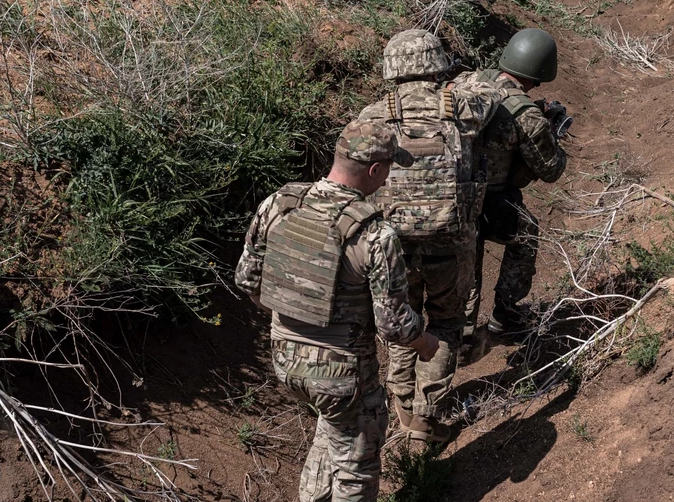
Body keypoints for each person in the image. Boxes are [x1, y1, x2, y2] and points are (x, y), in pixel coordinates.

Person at [235, 119, 441, 502]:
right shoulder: (375, 234)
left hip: (284, 359)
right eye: (389, 169)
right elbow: (393, 325)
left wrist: (295, 321)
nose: (387, 178)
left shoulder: (280, 204)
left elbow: (248, 281)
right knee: (356, 467)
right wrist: (424, 342)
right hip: (342, 371)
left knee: (332, 430)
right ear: (375, 170)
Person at [356, 29, 500, 443]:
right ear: (437, 62)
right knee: (449, 323)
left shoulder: (372, 115)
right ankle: (427, 413)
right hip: (451, 243)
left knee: (404, 324)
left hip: (393, 246)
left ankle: (402, 404)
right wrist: (466, 77)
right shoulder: (463, 105)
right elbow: (491, 89)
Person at [452, 27, 568, 345]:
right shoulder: (526, 114)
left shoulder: (466, 81)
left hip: (444, 192)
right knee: (525, 233)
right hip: (486, 203)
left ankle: (455, 332)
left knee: (464, 263)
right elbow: (552, 169)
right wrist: (551, 131)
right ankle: (505, 314)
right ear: (542, 71)